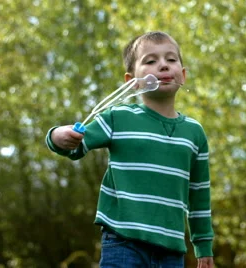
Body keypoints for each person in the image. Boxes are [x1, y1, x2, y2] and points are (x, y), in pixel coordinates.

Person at [45, 31, 214, 268]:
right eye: (150, 61)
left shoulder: (194, 132)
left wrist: (203, 246)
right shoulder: (118, 118)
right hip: (123, 243)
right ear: (131, 82)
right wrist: (56, 136)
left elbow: (199, 196)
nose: (163, 65)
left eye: (171, 59)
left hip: (171, 251)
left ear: (183, 75)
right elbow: (76, 146)